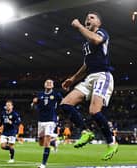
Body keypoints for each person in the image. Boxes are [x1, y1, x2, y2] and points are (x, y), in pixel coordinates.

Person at [60, 11, 118, 160]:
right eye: (87, 18)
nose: (88, 19)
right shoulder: (86, 43)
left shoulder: (101, 32)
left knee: (94, 111)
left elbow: (97, 40)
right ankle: (86, 132)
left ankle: (112, 143)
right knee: (65, 104)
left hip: (102, 75)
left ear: (98, 23)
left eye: (92, 17)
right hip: (89, 78)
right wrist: (72, 79)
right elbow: (86, 65)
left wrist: (79, 25)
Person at [32, 79, 63, 168]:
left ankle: (43, 164)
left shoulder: (56, 94)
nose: (49, 83)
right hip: (41, 120)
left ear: (53, 85)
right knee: (41, 143)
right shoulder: (40, 94)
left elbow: (63, 102)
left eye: (51, 83)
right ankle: (54, 142)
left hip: (51, 120)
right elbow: (34, 106)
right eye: (47, 82)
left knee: (46, 143)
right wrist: (33, 103)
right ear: (44, 85)